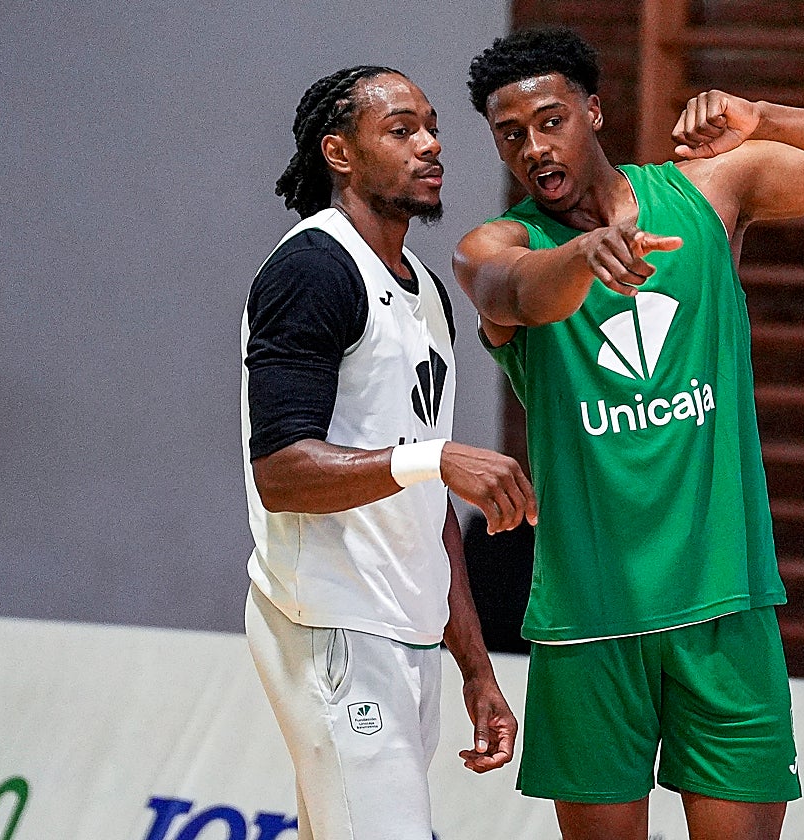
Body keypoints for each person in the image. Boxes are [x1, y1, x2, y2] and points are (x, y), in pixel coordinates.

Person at [454, 28, 804, 840]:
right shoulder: (499, 244)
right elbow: (515, 292)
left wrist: (766, 116)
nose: (533, 148)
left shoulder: (706, 191)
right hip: (589, 619)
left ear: (593, 111)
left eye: (551, 120)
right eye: (510, 134)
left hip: (723, 602)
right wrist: (587, 256)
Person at [240, 65, 538, 840]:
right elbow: (281, 473)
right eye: (401, 130)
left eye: (432, 127)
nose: (430, 144)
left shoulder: (427, 292)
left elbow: (426, 507)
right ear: (339, 152)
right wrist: (432, 460)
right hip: (333, 620)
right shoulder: (313, 269)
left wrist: (475, 666)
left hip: (409, 632)